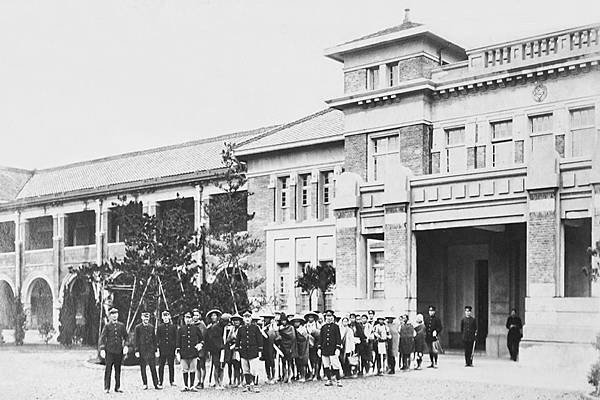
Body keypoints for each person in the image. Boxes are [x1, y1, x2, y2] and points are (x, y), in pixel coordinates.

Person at [99, 307, 128, 394]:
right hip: (109, 351)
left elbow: (126, 337)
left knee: (118, 369)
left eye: (116, 314)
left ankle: (118, 387)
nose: (114, 316)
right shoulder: (107, 326)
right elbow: (102, 338)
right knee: (108, 370)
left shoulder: (121, 326)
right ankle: (106, 387)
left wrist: (126, 346)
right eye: (112, 314)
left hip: (118, 351)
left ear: (118, 315)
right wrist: (102, 349)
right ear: (110, 316)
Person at [236, 310, 264, 393]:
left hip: (253, 352)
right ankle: (248, 385)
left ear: (251, 318)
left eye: (248, 317)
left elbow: (260, 340)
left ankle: (255, 385)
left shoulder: (255, 328)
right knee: (245, 370)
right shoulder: (241, 329)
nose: (247, 319)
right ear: (243, 319)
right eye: (245, 317)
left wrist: (260, 351)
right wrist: (237, 351)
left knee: (254, 370)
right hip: (244, 352)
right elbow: (238, 340)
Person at [176, 311, 204, 392]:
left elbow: (202, 339)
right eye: (186, 318)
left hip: (193, 352)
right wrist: (178, 352)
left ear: (192, 319)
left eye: (189, 318)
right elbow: (178, 342)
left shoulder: (196, 329)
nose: (188, 320)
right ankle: (185, 385)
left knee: (192, 369)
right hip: (184, 353)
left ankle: (191, 386)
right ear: (184, 319)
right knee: (184, 369)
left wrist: (200, 345)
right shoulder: (181, 329)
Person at [134, 311, 161, 390]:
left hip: (150, 350)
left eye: (147, 317)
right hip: (142, 350)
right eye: (144, 317)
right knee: (143, 368)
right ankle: (145, 384)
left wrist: (156, 350)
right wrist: (136, 350)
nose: (146, 319)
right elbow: (136, 340)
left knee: (153, 368)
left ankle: (156, 384)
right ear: (142, 318)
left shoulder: (151, 327)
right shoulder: (138, 327)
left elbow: (154, 339)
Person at [318, 310, 343, 387]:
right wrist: (319, 348)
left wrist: (338, 348)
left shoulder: (336, 327)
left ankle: (338, 380)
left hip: (333, 349)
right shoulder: (323, 327)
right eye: (327, 316)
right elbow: (320, 339)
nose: (329, 318)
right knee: (326, 365)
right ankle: (329, 380)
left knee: (335, 365)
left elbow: (338, 338)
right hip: (325, 349)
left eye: (330, 316)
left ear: (333, 317)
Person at [205, 309, 226, 389]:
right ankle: (216, 383)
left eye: (215, 315)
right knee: (216, 365)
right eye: (212, 316)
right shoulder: (209, 327)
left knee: (222, 365)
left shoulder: (222, 325)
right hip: (214, 349)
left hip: (222, 348)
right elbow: (208, 339)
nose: (214, 317)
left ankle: (221, 382)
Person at [156, 310, 177, 387]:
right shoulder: (160, 327)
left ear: (169, 317)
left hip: (171, 349)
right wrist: (157, 348)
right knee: (161, 365)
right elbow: (157, 338)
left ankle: (172, 381)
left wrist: (175, 348)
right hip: (162, 349)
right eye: (164, 316)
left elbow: (175, 338)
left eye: (167, 315)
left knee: (171, 365)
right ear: (162, 317)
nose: (165, 317)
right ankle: (160, 381)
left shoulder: (173, 327)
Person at [277, 313, 297, 383]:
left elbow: (293, 338)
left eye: (284, 320)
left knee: (290, 362)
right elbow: (277, 337)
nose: (283, 322)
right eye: (282, 320)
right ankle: (284, 376)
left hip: (289, 346)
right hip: (282, 346)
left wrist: (292, 347)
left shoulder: (291, 328)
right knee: (283, 362)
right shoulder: (279, 328)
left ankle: (291, 376)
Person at [224, 313, 242, 387]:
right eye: (234, 320)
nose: (236, 322)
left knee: (240, 365)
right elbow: (228, 339)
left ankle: (240, 381)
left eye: (237, 320)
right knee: (232, 365)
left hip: (240, 348)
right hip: (232, 349)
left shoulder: (241, 328)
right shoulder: (232, 329)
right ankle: (232, 380)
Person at [192, 308, 208, 389]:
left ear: (199, 316)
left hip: (201, 347)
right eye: (194, 315)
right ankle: (198, 381)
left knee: (202, 365)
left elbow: (204, 337)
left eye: (197, 315)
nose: (195, 317)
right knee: (197, 366)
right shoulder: (191, 324)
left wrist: (200, 345)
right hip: (193, 348)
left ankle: (202, 382)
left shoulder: (202, 325)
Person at [291, 315, 310, 382]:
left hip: (303, 347)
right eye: (295, 322)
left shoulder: (303, 329)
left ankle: (303, 376)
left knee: (303, 362)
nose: (296, 323)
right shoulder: (293, 329)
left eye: (298, 322)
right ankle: (299, 375)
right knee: (297, 362)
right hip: (296, 347)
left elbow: (305, 339)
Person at [260, 313, 277, 384]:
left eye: (268, 318)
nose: (266, 319)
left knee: (272, 361)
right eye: (265, 318)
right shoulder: (263, 326)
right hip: (265, 345)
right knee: (266, 361)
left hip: (272, 345)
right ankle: (268, 376)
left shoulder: (273, 326)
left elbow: (276, 336)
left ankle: (273, 377)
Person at [304, 311, 321, 381]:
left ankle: (316, 375)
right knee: (310, 361)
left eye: (312, 317)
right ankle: (310, 374)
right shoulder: (305, 326)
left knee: (316, 361)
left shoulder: (317, 325)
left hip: (316, 345)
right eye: (309, 317)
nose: (310, 319)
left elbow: (320, 335)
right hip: (308, 346)